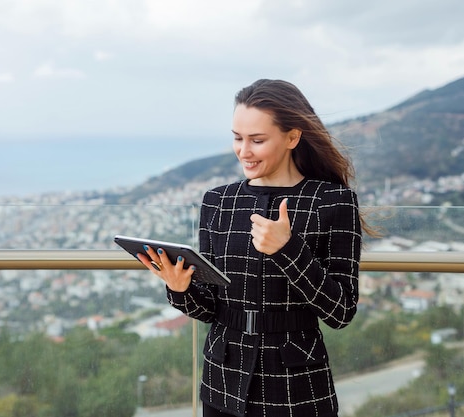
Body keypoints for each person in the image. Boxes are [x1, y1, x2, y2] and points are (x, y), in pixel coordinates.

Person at [137, 79, 366, 417]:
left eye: (257, 140)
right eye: (237, 138)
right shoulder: (218, 201)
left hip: (296, 387)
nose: (244, 151)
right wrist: (180, 288)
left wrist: (287, 250)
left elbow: (340, 311)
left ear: (292, 137)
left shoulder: (333, 202)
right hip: (222, 381)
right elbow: (210, 307)